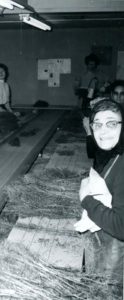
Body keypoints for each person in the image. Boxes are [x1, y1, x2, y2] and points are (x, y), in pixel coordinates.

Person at [79, 99, 124, 294]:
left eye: (111, 123)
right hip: (107, 242)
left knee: (102, 293)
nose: (103, 131)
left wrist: (86, 199)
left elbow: (121, 226)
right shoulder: (116, 154)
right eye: (97, 125)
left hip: (115, 251)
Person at [83, 80, 124, 171]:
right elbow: (91, 153)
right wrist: (89, 133)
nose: (118, 97)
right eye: (116, 93)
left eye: (122, 94)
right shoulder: (105, 111)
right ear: (112, 95)